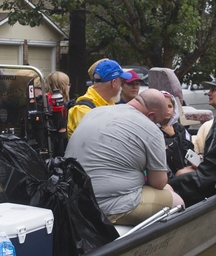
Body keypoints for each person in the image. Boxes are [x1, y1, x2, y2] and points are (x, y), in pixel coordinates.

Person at [65, 89, 184, 225]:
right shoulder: (151, 129)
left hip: (72, 199)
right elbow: (158, 182)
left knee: (168, 190)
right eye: (158, 121)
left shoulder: (96, 111)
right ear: (151, 116)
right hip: (107, 205)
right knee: (177, 202)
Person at [66, 59, 129, 137]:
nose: (121, 87)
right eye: (121, 82)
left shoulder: (108, 103)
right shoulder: (83, 109)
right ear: (113, 83)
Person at [160, 93, 193, 174]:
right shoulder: (152, 128)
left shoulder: (179, 128)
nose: (167, 109)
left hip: (179, 167)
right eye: (163, 106)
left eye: (170, 106)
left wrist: (174, 135)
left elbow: (188, 148)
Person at [46, 70, 71, 156]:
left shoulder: (44, 100)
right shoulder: (58, 103)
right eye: (68, 84)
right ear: (62, 86)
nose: (69, 87)